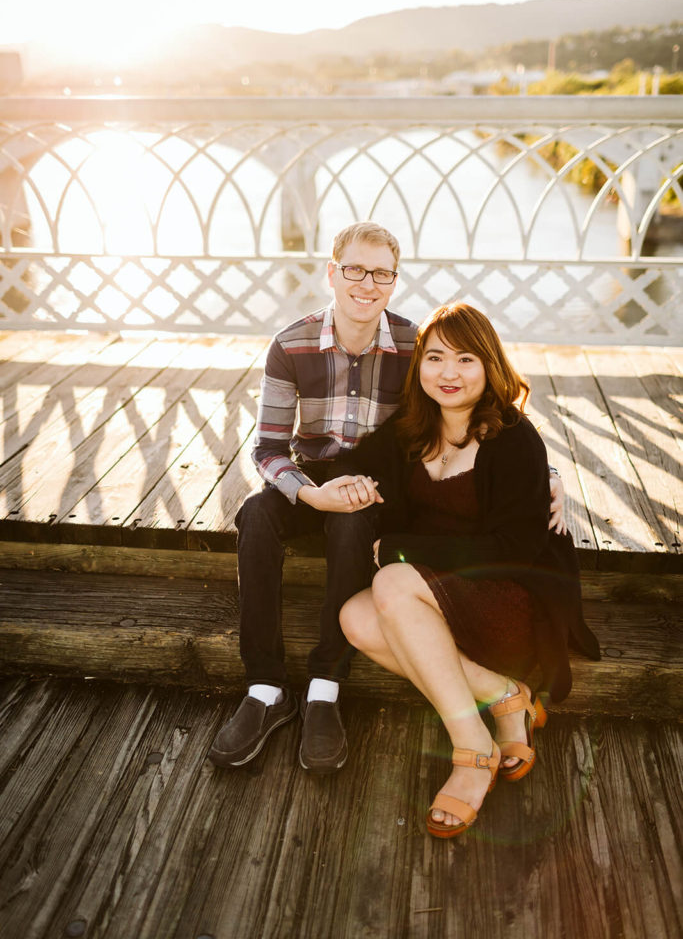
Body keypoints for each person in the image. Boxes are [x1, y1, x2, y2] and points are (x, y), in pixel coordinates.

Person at [208, 225, 567, 775]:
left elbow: (478, 400)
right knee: (256, 514)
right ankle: (264, 686)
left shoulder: (414, 345)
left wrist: (548, 473)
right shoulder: (291, 344)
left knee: (355, 524)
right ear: (332, 272)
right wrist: (310, 493)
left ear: (394, 282)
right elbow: (268, 448)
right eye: (354, 269)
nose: (366, 283)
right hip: (313, 475)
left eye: (381, 273)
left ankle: (325, 686)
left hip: (380, 482)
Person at [339, 302, 600, 836]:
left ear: (490, 367)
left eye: (465, 359)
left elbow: (516, 549)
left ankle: (469, 747)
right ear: (421, 369)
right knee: (356, 619)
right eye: (435, 358)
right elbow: (347, 466)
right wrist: (294, 481)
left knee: (390, 578)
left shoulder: (514, 438)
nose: (449, 373)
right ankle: (505, 698)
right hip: (436, 596)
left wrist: (400, 548)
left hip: (510, 599)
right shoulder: (413, 428)